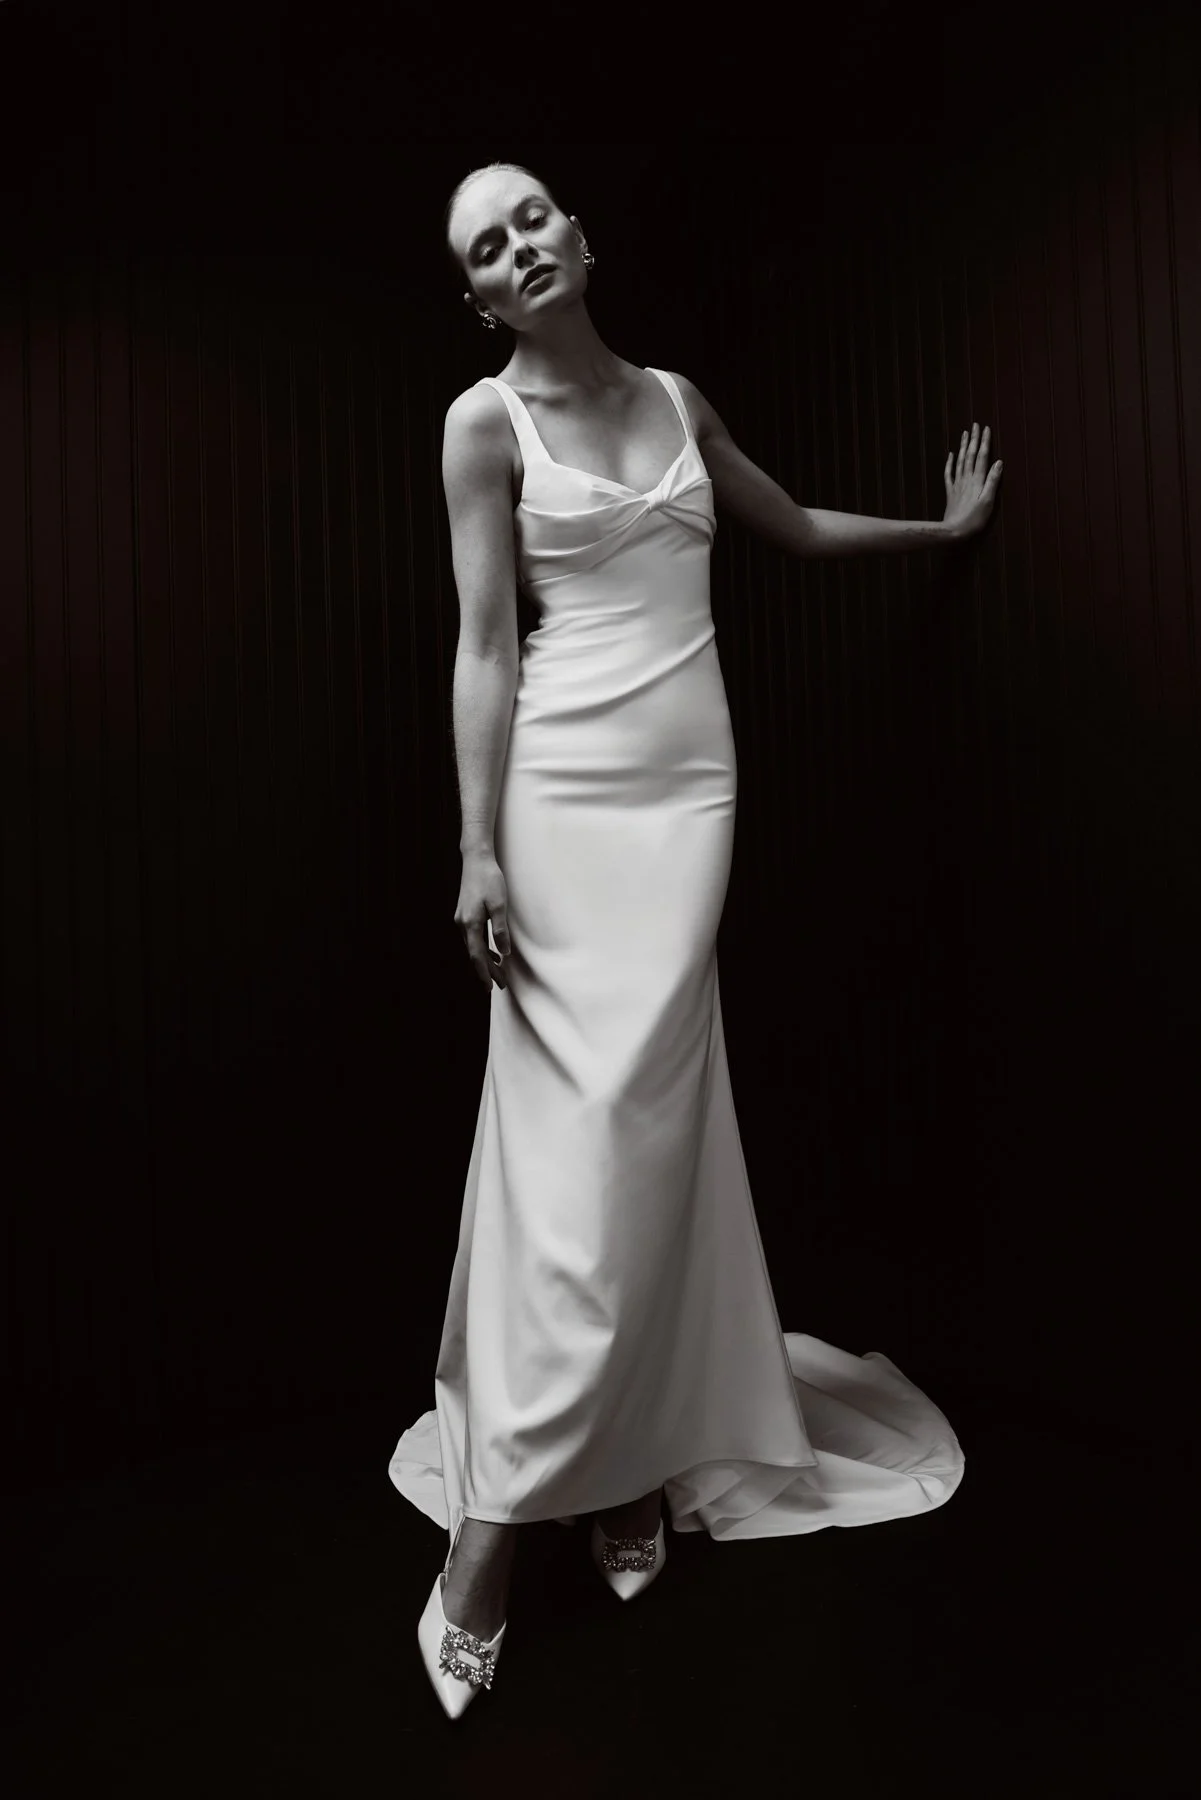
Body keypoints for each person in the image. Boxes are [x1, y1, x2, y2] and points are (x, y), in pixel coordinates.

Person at [395, 162, 976, 1719]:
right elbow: (481, 643)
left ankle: (629, 1462)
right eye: (483, 248)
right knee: (570, 1148)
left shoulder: (677, 394)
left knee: (651, 1137)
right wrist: (474, 845)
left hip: (690, 800)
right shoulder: (479, 424)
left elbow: (785, 527)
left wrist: (937, 528)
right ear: (479, 296)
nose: (517, 248)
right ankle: (498, 1524)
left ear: (579, 236)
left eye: (529, 217)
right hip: (561, 804)